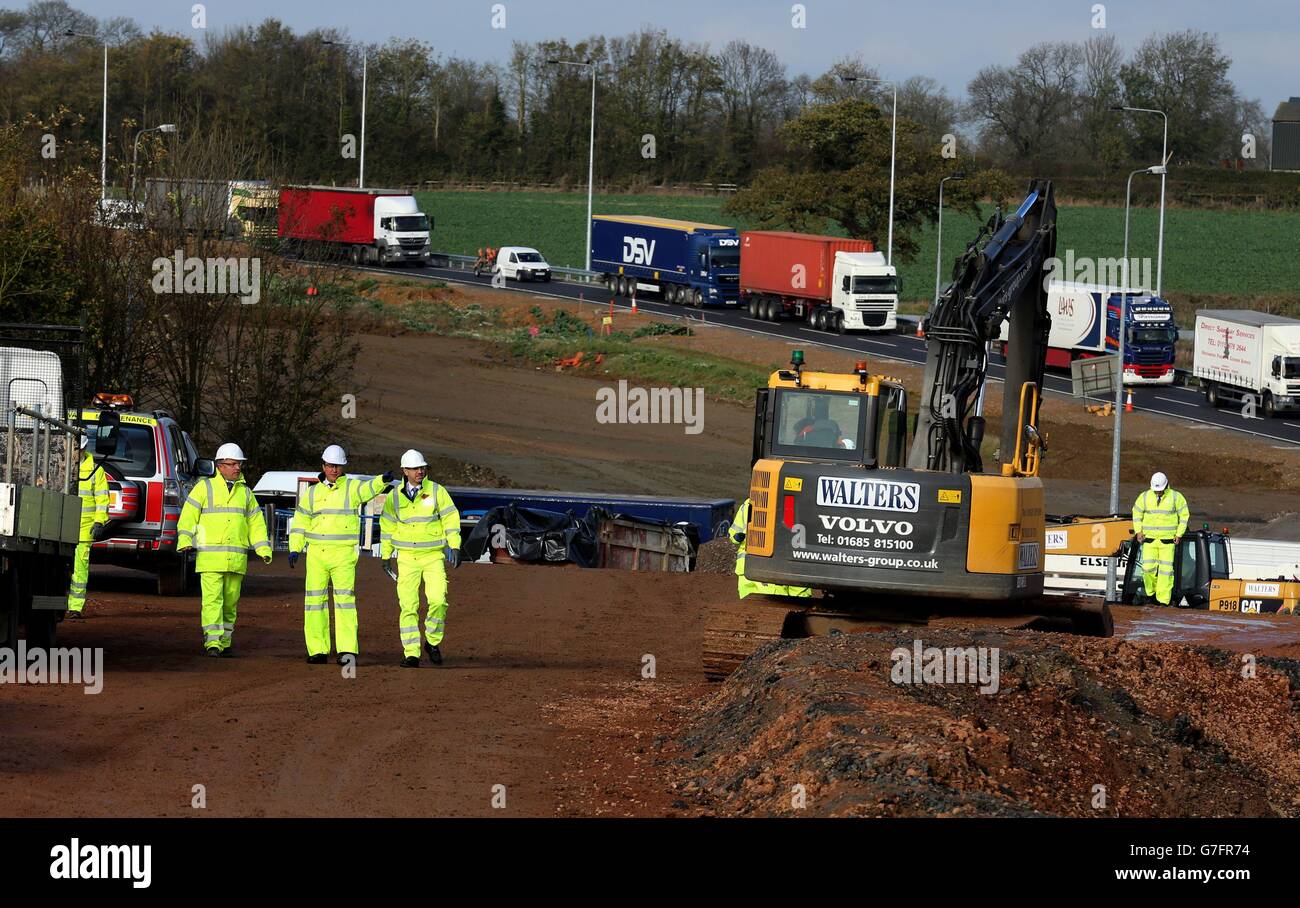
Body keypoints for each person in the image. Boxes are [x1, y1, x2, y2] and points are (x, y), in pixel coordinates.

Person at [288, 445, 395, 665]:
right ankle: (317, 650)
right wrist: (294, 548)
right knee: (314, 603)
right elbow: (300, 523)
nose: (334, 470)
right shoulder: (312, 493)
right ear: (323, 466)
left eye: (337, 466)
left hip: (344, 555)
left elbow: (368, 490)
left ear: (342, 466)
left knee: (344, 602)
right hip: (317, 555)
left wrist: (381, 480)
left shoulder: (351, 488)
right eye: (330, 465)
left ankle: (347, 650)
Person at [176, 443, 272, 656]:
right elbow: (188, 516)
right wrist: (185, 539)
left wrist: (263, 548)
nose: (237, 468)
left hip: (235, 560)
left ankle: (225, 641)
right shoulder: (204, 488)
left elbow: (256, 523)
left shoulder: (246, 493)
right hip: (210, 559)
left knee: (230, 603)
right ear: (220, 466)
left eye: (239, 464)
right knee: (212, 601)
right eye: (233, 464)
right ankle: (213, 642)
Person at [380, 449, 461, 667]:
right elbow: (387, 526)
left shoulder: (437, 491)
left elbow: (451, 518)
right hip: (406, 558)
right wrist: (386, 555)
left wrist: (454, 546)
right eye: (415, 468)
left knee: (438, 600)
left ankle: (432, 642)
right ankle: (411, 654)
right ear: (404, 471)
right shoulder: (394, 497)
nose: (420, 472)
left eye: (422, 468)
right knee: (408, 606)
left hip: (433, 556)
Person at [728, 498, 813, 600]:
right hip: (750, 570)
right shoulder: (748, 505)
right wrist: (736, 536)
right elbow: (734, 531)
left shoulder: (790, 505)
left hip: (766, 567)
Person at [1132, 471, 1190, 606]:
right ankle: (1150, 594)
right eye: (1156, 490)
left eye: (1160, 490)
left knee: (1166, 571)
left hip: (1167, 541)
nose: (1158, 493)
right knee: (1147, 569)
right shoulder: (1144, 497)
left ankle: (1163, 601)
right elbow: (1137, 513)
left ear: (1166, 486)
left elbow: (1184, 516)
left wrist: (1179, 534)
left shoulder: (1176, 497)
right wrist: (1138, 531)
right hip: (1149, 540)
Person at [67, 434, 109, 617]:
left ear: (84, 449)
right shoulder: (60, 465)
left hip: (84, 528)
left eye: (78, 449)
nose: (75, 452)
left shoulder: (95, 470)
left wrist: (99, 521)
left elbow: (102, 498)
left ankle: (75, 606)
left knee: (79, 568)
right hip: (62, 523)